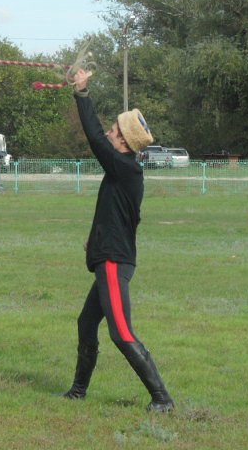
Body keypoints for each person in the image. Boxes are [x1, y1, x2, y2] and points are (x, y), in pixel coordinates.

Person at [63, 67, 175, 413]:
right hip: (108, 256)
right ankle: (78, 391)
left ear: (124, 143)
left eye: (114, 131)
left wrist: (82, 92)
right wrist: (93, 240)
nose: (109, 134)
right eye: (112, 129)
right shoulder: (121, 172)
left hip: (114, 263)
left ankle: (162, 399)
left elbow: (94, 137)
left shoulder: (125, 167)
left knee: (121, 333)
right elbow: (115, 217)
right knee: (86, 323)